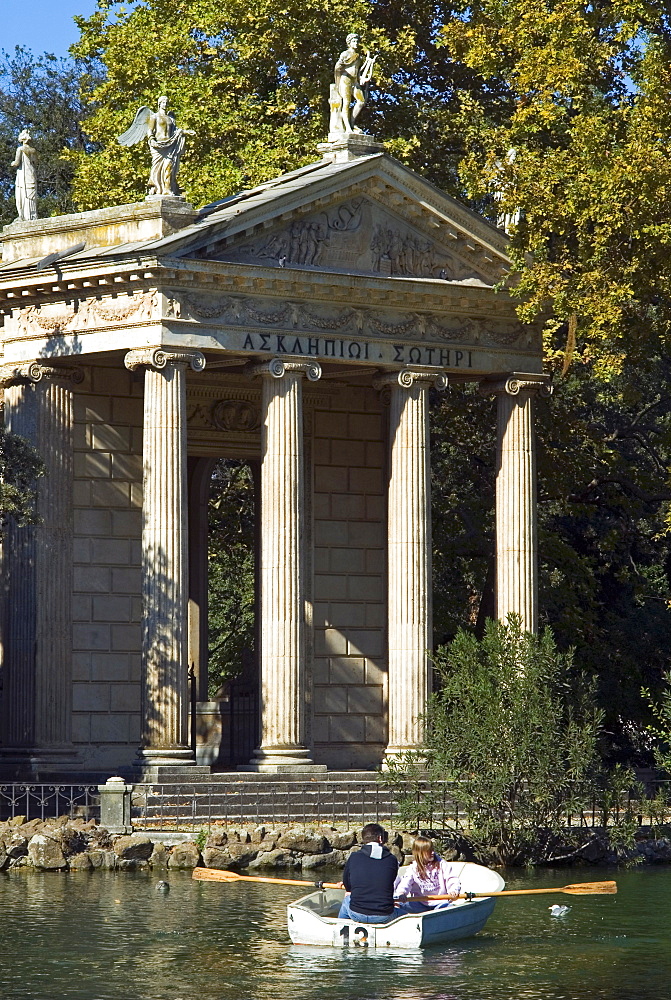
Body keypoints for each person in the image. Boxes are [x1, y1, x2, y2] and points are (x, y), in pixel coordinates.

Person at [338, 823, 399, 923]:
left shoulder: (354, 857)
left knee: (346, 901)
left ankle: (340, 928)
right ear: (380, 838)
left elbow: (347, 884)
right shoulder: (392, 859)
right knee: (404, 914)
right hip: (384, 915)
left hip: (356, 913)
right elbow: (390, 880)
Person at [393, 836, 461, 914]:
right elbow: (406, 882)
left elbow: (452, 879)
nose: (432, 853)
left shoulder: (441, 864)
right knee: (397, 904)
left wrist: (453, 890)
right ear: (420, 853)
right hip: (419, 903)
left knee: (449, 908)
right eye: (428, 851)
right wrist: (402, 893)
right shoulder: (413, 868)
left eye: (432, 850)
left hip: (440, 902)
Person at [11, 129, 38, 222]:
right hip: (31, 173)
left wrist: (12, 163)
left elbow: (16, 163)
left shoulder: (20, 149)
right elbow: (35, 162)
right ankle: (32, 215)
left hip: (23, 174)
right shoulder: (33, 150)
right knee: (31, 194)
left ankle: (23, 216)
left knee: (22, 194)